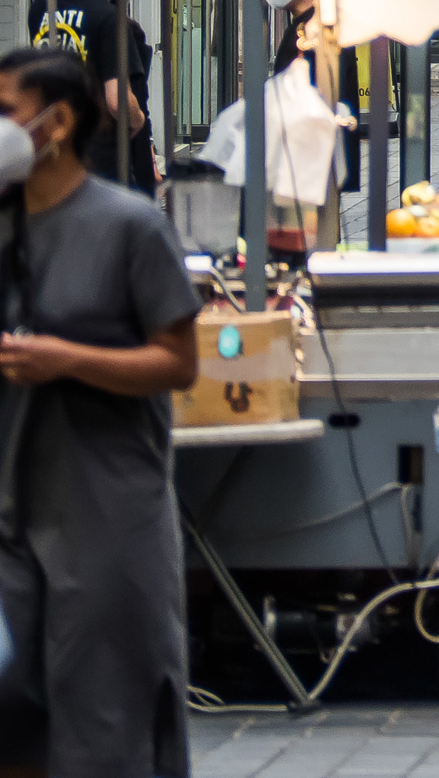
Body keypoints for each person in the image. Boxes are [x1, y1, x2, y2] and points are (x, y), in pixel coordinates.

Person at [0, 47, 200, 778]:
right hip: (15, 510)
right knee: (13, 717)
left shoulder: (130, 228)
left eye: (5, 112)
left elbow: (178, 363)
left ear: (58, 123)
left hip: (106, 514)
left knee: (104, 723)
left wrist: (68, 361)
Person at [29, 0, 155, 194]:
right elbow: (117, 99)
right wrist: (138, 121)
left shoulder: (42, 6)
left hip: (50, 148)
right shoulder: (109, 19)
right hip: (97, 161)